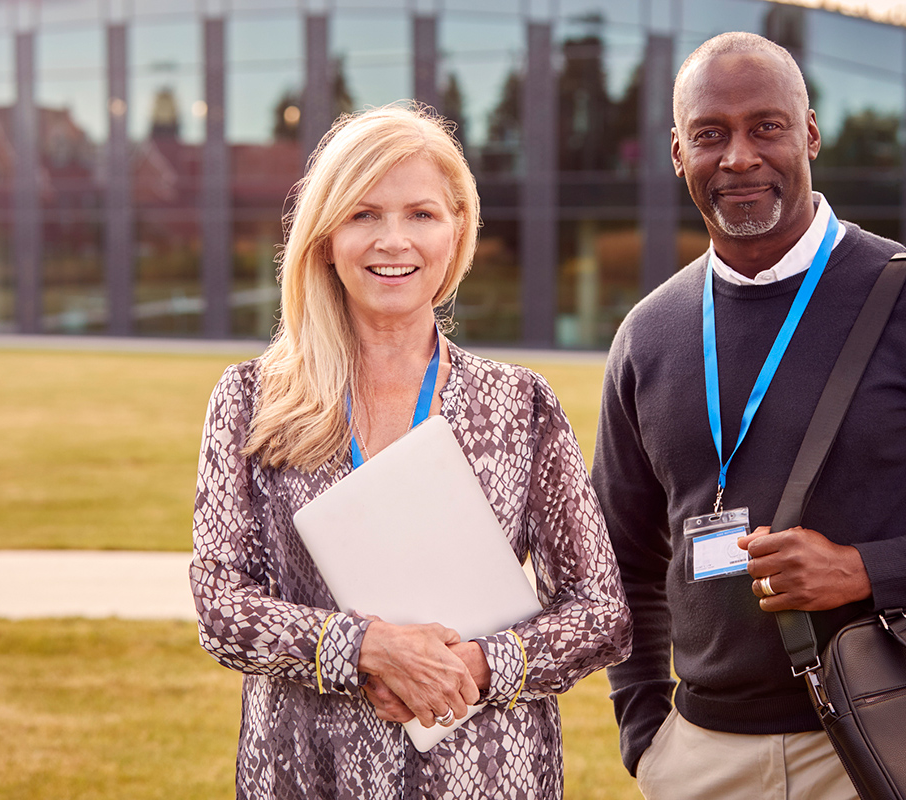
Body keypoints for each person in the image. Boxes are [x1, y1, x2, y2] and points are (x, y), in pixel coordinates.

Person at [592, 31, 906, 800]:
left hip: (892, 739)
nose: (739, 155)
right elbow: (621, 561)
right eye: (711, 134)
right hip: (701, 759)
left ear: (809, 132)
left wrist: (862, 571)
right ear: (678, 153)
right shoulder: (648, 334)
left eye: (765, 126)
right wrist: (647, 734)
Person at [190, 103, 631, 799]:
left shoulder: (519, 405)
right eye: (364, 214)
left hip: (485, 772)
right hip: (310, 773)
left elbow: (600, 611)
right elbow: (221, 606)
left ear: (457, 233)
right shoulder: (252, 400)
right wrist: (367, 649)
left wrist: (480, 666)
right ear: (326, 237)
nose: (393, 240)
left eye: (421, 215)